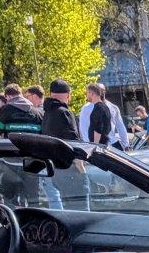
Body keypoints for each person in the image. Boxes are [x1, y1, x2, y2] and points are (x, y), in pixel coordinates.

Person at [41, 79, 87, 209]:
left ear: (51, 94)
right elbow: (73, 141)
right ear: (68, 94)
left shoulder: (47, 114)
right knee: (82, 213)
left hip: (56, 170)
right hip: (71, 170)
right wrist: (81, 168)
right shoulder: (65, 112)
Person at [79, 82, 129, 149]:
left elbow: (120, 126)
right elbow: (83, 128)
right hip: (97, 145)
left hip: (112, 143)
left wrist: (126, 144)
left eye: (101, 90)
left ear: (104, 91)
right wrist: (90, 145)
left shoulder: (113, 107)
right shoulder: (86, 108)